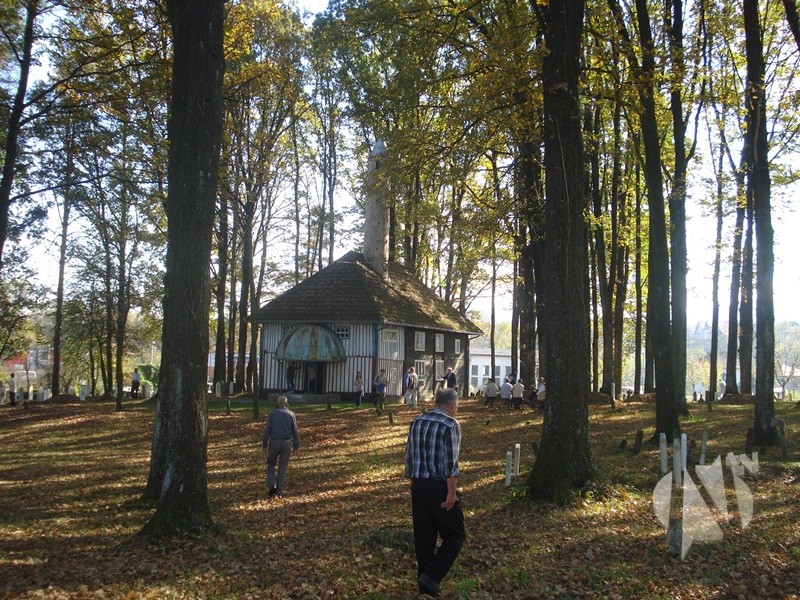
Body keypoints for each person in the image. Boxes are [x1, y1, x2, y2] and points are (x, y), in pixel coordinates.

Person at [404, 387, 465, 597]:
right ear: (452, 405)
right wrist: (451, 494)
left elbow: (409, 455)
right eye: (457, 406)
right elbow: (451, 464)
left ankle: (425, 588)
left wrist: (413, 480)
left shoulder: (417, 421)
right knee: (456, 534)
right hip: (440, 487)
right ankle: (431, 576)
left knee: (424, 537)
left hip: (418, 485)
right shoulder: (450, 424)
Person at [262, 396, 300, 498]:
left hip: (274, 442)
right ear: (287, 403)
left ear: (278, 403)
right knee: (282, 467)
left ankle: (272, 483)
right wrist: (296, 447)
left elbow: (268, 430)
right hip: (287, 443)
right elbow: (295, 432)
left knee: (271, 464)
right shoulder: (291, 414)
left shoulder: (272, 414)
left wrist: (264, 444)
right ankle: (279, 490)